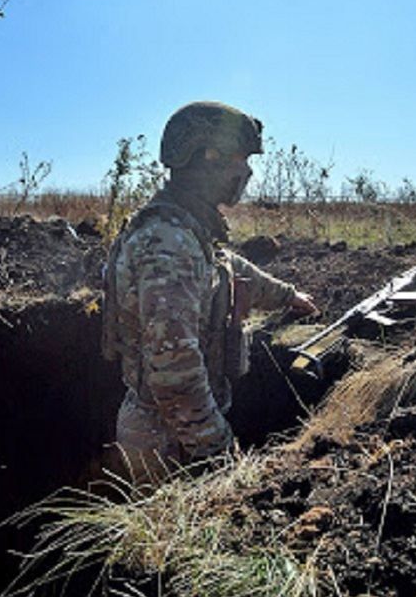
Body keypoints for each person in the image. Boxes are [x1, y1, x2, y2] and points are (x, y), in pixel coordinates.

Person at [101, 101, 317, 479]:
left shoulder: (187, 229)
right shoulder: (167, 243)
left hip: (178, 430)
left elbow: (228, 266)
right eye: (239, 158)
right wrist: (218, 451)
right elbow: (175, 370)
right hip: (168, 440)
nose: (247, 171)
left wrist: (287, 296)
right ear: (207, 159)